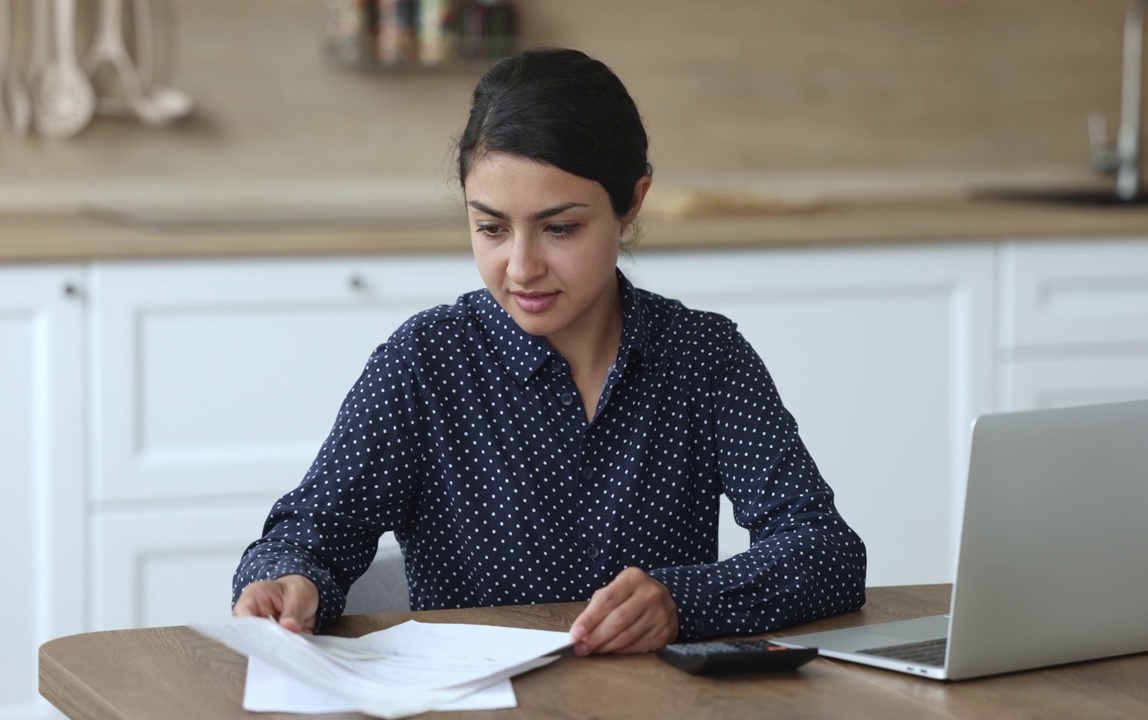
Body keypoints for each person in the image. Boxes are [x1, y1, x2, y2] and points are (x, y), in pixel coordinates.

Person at [232, 47, 866, 656]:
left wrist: (683, 600)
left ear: (631, 203)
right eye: (490, 228)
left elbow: (826, 551)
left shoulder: (703, 356)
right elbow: (308, 535)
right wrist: (288, 580)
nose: (522, 267)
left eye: (560, 228)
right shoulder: (424, 362)